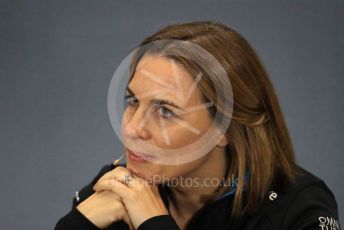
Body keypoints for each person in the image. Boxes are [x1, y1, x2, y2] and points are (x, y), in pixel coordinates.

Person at [55, 21, 341, 230]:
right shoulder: (111, 190)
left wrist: (154, 225)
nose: (131, 129)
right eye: (132, 101)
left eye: (165, 111)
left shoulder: (298, 210)